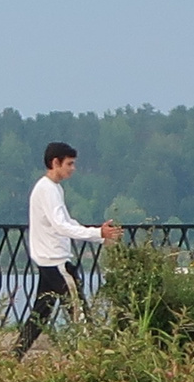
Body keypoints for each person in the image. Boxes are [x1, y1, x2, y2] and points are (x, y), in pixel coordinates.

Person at [15, 142, 122, 358]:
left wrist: (97, 235)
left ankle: (14, 356)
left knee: (40, 314)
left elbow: (66, 221)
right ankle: (93, 359)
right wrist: (97, 234)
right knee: (79, 312)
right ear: (55, 163)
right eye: (69, 164)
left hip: (48, 260)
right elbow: (61, 225)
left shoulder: (52, 188)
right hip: (56, 262)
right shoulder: (47, 189)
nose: (73, 168)